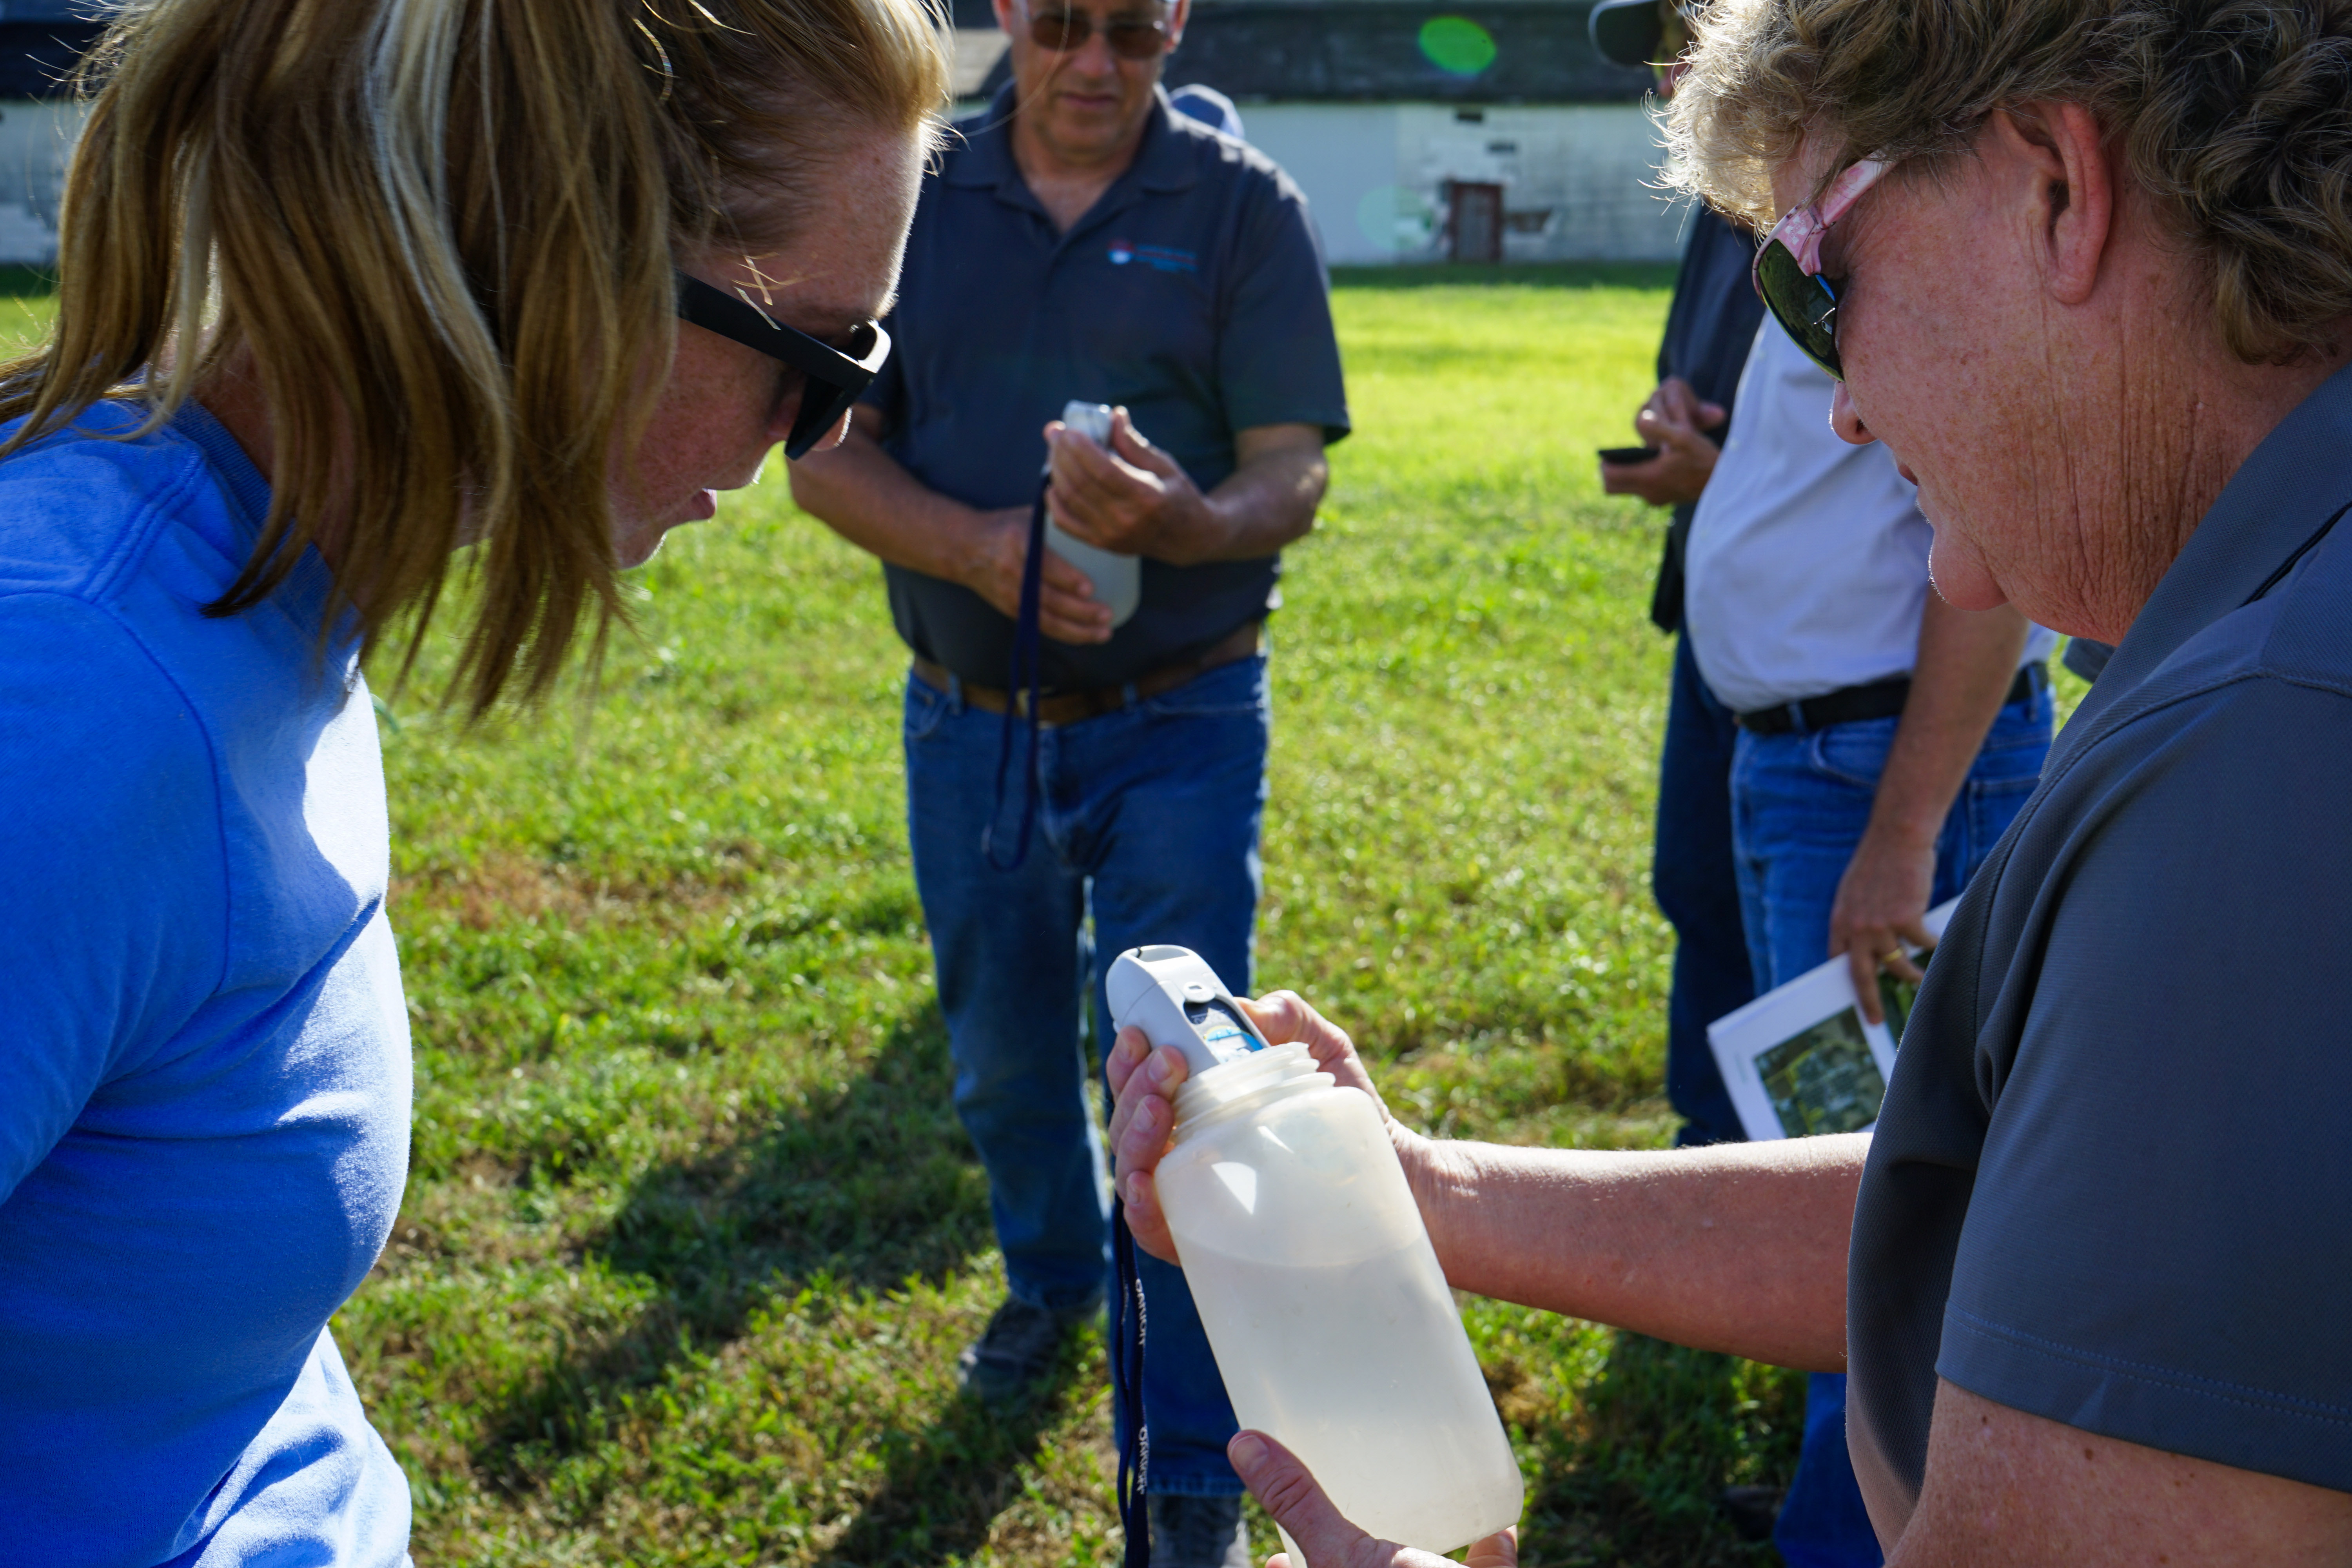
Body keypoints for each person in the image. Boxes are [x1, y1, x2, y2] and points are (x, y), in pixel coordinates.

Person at [1107, 0, 2352, 1563]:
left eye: (1819, 281)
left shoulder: (2266, 753)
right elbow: (1981, 1219)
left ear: (2055, 186)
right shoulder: (2274, 639)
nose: (1838, 396)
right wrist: (1415, 1191)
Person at [0, 1, 946, 1561]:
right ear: (555, 258)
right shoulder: (75, 704)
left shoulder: (260, 586)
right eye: (812, 358)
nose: (813, 441)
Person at [788, 0, 1348, 1559]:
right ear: (1007, 17)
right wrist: (985, 550)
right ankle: (1048, 1284)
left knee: (1185, 1075)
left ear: (1177, 25)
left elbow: (1294, 462)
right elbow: (820, 447)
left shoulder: (1242, 203)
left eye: (1133, 31)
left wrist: (1194, 520)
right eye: (1062, 25)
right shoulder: (916, 187)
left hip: (1184, 711)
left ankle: (1184, 1458)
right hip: (973, 715)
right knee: (999, 1048)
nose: (1095, 64)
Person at [1590, 0, 1768, 1154]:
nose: (1668, 79)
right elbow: (1701, 368)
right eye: (1659, 54)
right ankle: (1707, 1146)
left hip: (1829, 654)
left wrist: (1725, 470)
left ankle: (1773, 1187)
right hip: (1719, 613)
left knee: (1787, 926)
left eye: (1685, 43)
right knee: (1697, 889)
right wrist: (1676, 419)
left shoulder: (1847, 194)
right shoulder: (1721, 201)